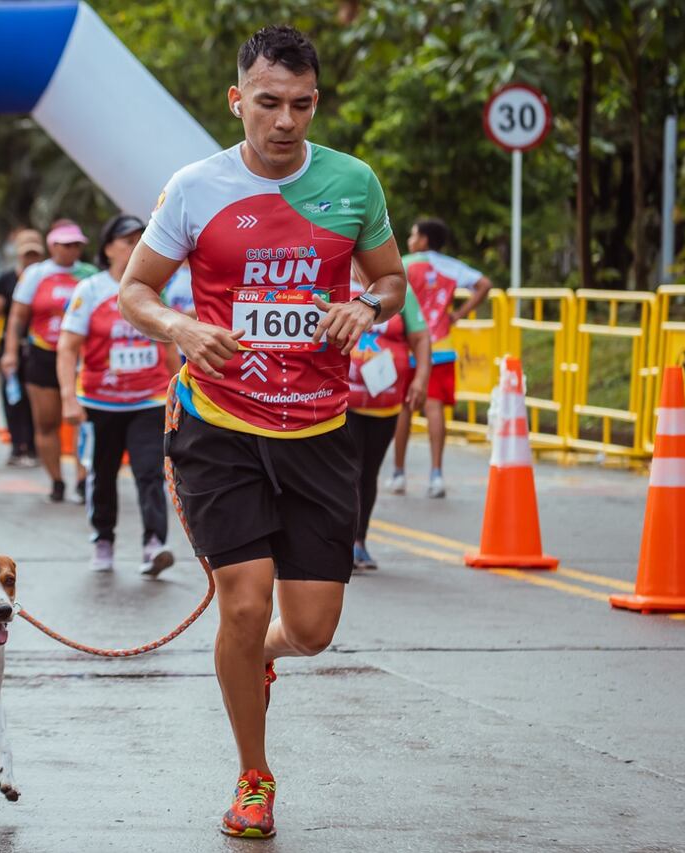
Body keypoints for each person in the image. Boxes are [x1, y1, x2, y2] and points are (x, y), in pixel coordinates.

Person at [117, 25, 406, 838]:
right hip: (218, 423)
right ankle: (253, 775)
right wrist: (180, 329)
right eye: (270, 103)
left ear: (317, 101)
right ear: (237, 100)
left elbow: (390, 278)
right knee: (241, 608)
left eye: (303, 104)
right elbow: (135, 291)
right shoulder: (195, 186)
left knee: (308, 630)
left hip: (320, 427)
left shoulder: (353, 182)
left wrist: (366, 305)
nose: (285, 122)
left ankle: (263, 661)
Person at [57, 214, 180, 575]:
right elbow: (67, 347)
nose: (134, 246)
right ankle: (104, 540)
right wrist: (69, 396)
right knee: (102, 472)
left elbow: (170, 341)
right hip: (100, 402)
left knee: (149, 472)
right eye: (127, 240)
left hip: (150, 399)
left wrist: (179, 391)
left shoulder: (157, 288)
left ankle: (155, 545)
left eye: (140, 239)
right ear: (108, 247)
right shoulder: (89, 291)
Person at [388, 218, 492, 498]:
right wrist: (457, 314)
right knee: (434, 409)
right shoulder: (451, 267)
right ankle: (436, 475)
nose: (410, 240)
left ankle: (398, 473)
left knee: (404, 409)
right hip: (441, 345)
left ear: (423, 240)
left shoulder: (405, 264)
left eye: (413, 235)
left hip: (409, 345)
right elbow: (484, 284)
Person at [0, 221, 98, 503]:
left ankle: (82, 479)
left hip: (80, 358)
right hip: (43, 353)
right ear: (52, 246)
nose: (71, 250)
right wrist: (9, 352)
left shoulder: (89, 275)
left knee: (82, 421)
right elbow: (17, 316)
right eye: (65, 244)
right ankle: (56, 480)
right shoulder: (36, 274)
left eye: (77, 245)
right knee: (46, 422)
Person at [346, 260, 431, 570]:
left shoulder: (397, 289)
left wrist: (420, 379)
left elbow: (421, 338)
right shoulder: (337, 279)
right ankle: (340, 541)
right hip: (345, 400)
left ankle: (359, 542)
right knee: (349, 470)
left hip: (386, 401)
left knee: (368, 472)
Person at [0, 230, 42, 467]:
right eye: (26, 254)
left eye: (34, 254)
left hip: (38, 348)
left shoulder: (45, 279)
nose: (30, 259)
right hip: (12, 347)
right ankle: (16, 446)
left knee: (34, 400)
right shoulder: (6, 279)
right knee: (12, 398)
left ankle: (33, 447)